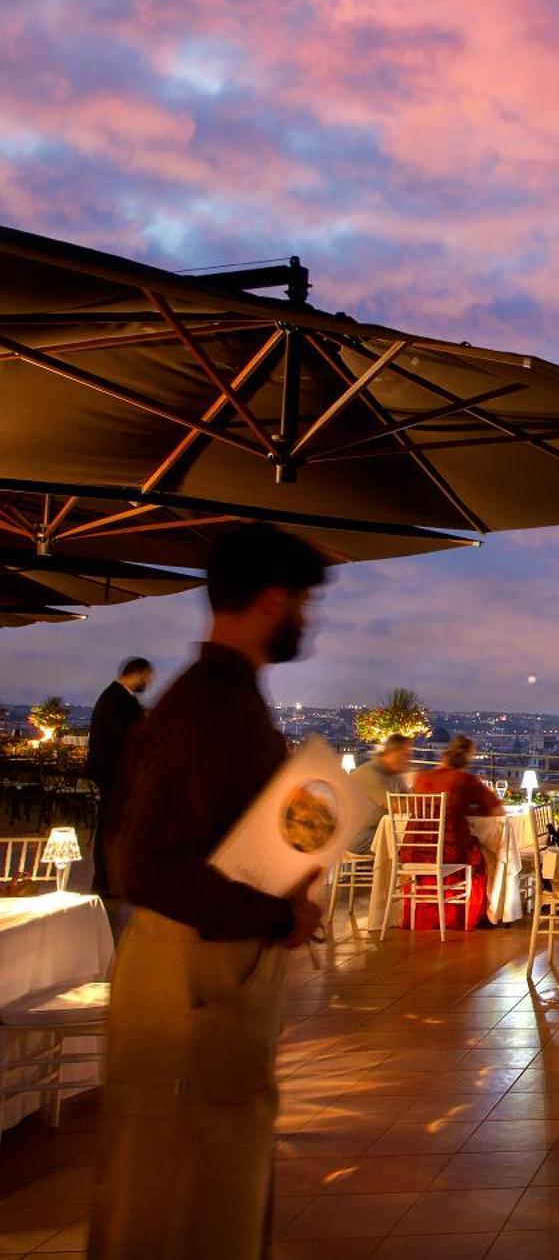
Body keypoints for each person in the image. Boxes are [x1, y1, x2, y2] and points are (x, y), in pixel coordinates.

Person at [91, 524, 328, 1260]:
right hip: (193, 987)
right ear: (270, 600)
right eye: (303, 604)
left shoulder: (218, 699)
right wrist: (273, 909)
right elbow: (151, 864)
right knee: (183, 1190)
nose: (307, 620)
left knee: (197, 1178)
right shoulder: (211, 709)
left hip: (204, 977)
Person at [404, 735, 494, 931]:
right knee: (483, 855)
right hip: (450, 851)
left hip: (414, 852)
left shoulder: (421, 778)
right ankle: (469, 915)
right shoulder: (465, 779)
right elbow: (493, 807)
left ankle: (417, 913)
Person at [85, 656, 151, 898]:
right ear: (137, 673)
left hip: (110, 773)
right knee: (111, 827)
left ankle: (107, 879)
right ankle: (106, 880)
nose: (148, 682)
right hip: (116, 774)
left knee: (110, 826)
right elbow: (131, 738)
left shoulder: (112, 697)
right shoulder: (120, 700)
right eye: (147, 677)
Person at [348, 733, 413, 852]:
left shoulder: (394, 775)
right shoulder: (370, 774)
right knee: (412, 845)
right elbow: (397, 806)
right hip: (360, 838)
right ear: (394, 753)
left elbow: (408, 801)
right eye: (406, 754)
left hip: (379, 831)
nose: (408, 759)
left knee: (415, 842)